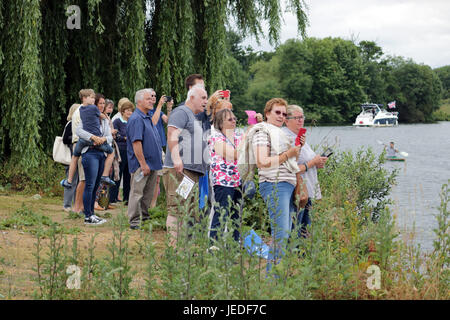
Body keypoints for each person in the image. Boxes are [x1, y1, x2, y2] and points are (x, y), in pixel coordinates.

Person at [249, 98, 302, 271]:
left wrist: (296, 149)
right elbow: (262, 161)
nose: (281, 116)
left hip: (286, 185)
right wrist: (289, 154)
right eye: (277, 112)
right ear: (267, 113)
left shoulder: (279, 134)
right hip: (274, 183)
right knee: (280, 233)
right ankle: (273, 278)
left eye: (284, 114)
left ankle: (279, 275)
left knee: (285, 233)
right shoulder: (262, 132)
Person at [163, 85, 208, 247]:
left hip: (190, 172)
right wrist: (176, 159)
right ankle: (173, 248)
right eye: (203, 98)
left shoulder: (193, 116)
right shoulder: (181, 112)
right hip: (180, 171)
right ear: (192, 97)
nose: (206, 101)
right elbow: (172, 133)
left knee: (186, 209)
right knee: (176, 209)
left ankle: (182, 248)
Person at [282, 105, 328, 238]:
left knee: (305, 229)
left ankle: (301, 256)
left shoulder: (300, 137)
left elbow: (305, 162)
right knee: (297, 228)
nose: (300, 120)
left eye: (302, 117)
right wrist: (312, 163)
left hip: (308, 190)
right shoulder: (287, 138)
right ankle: (295, 255)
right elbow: (290, 168)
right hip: (298, 191)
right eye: (296, 118)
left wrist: (317, 163)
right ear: (286, 120)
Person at [61, 91, 115, 189]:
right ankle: (105, 175)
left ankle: (69, 180)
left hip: (81, 141)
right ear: (84, 98)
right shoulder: (93, 109)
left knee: (75, 159)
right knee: (85, 179)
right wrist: (104, 119)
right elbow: (80, 130)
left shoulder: (81, 109)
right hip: (86, 141)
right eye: (91, 97)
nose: (93, 100)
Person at [126, 89, 163, 230]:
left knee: (147, 193)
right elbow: (136, 143)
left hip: (152, 164)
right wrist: (143, 164)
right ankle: (134, 221)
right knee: (137, 192)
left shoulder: (147, 117)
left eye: (152, 98)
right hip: (142, 165)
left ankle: (145, 218)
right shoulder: (136, 119)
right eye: (148, 99)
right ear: (139, 101)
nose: (152, 101)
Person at [75, 92, 113, 225]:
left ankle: (92, 214)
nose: (102, 106)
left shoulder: (104, 119)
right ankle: (87, 216)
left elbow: (110, 137)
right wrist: (93, 137)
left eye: (104, 104)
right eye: (100, 103)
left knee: (96, 185)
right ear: (94, 104)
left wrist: (103, 139)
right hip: (90, 153)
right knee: (90, 185)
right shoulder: (87, 117)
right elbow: (79, 131)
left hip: (101, 153)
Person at [208, 108, 243, 244]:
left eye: (234, 118)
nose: (233, 121)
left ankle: (234, 247)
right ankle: (214, 246)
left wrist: (255, 124)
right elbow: (234, 154)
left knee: (236, 216)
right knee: (221, 214)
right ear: (221, 124)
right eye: (230, 119)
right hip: (223, 182)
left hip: (237, 181)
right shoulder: (216, 138)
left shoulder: (238, 136)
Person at [146, 88, 173, 208]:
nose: (153, 98)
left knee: (158, 177)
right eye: (151, 96)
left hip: (159, 146)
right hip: (149, 146)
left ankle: (154, 204)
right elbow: (153, 122)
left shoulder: (160, 111)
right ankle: (146, 203)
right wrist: (159, 106)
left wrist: (169, 108)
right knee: (150, 177)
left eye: (155, 96)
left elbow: (170, 122)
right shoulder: (146, 112)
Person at [111, 100, 134, 205]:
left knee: (128, 175)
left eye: (131, 111)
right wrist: (125, 138)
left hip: (130, 150)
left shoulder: (133, 121)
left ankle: (127, 198)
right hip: (120, 150)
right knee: (117, 173)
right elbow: (117, 136)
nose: (129, 113)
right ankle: (113, 197)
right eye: (127, 110)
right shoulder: (117, 121)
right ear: (123, 111)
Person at [62, 103, 80, 212]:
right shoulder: (71, 123)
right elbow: (65, 139)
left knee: (77, 181)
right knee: (71, 180)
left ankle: (74, 203)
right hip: (70, 155)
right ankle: (67, 204)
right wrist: (75, 138)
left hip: (75, 155)